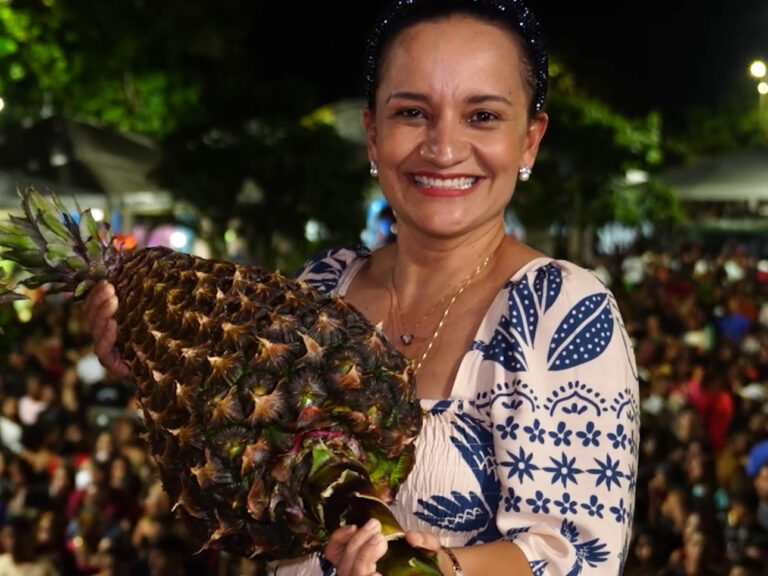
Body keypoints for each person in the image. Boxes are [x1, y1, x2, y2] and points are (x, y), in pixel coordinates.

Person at [82, 0, 640, 574]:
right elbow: (242, 469)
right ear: (373, 134)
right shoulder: (321, 284)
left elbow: (577, 556)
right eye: (412, 113)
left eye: (483, 116)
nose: (443, 149)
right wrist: (160, 367)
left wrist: (428, 567)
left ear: (530, 139)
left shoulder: (558, 310)